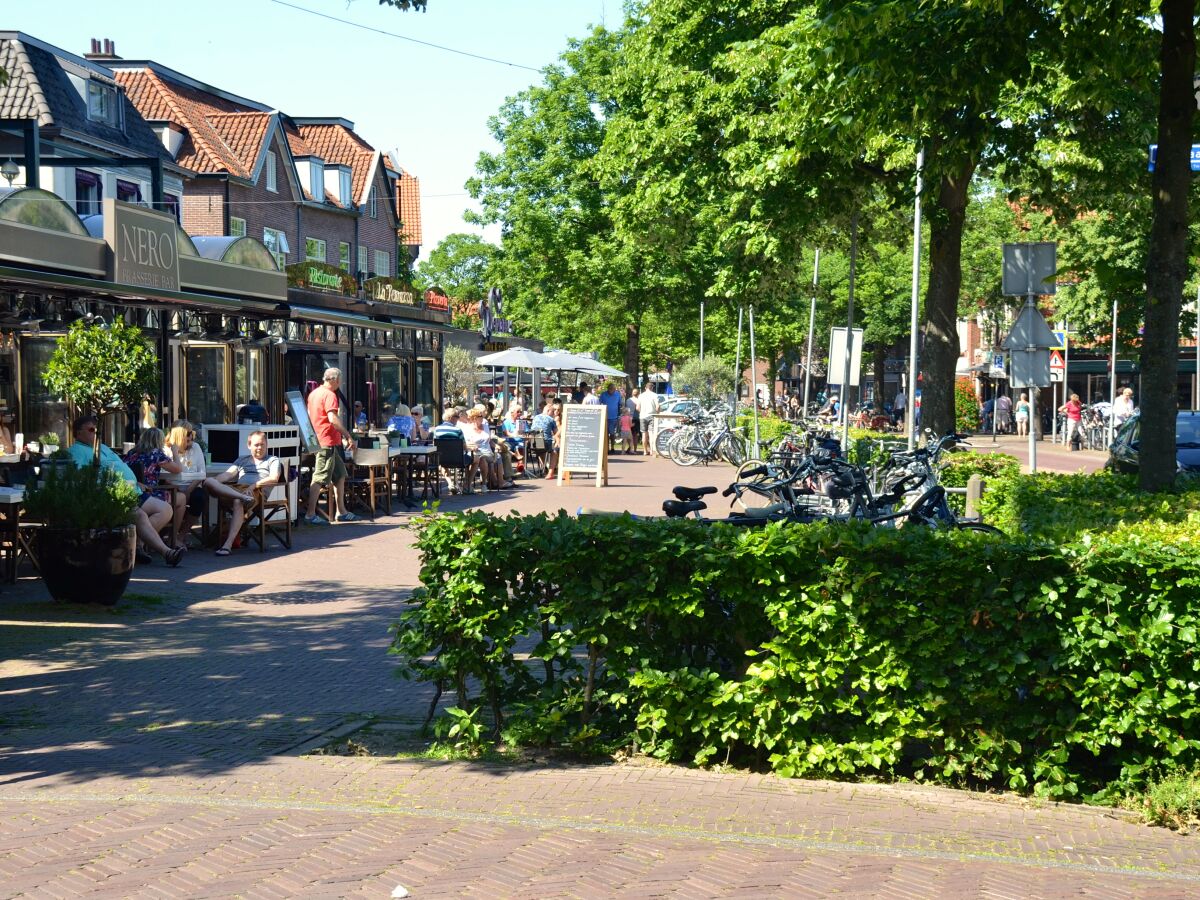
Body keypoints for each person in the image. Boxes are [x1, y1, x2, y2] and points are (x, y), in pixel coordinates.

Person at [68, 415, 183, 567]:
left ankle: (136, 545)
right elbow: (83, 478)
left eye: (97, 430)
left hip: (133, 490)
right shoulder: (76, 451)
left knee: (166, 509)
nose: (95, 433)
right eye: (91, 430)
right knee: (140, 515)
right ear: (78, 433)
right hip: (112, 496)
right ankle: (166, 552)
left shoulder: (102, 447)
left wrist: (137, 482)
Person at [205, 431, 282, 556]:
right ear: (249, 445)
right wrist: (216, 481)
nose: (260, 448)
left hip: (257, 492)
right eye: (256, 445)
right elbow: (228, 475)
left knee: (238, 502)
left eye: (263, 444)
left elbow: (274, 478)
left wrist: (254, 486)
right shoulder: (242, 460)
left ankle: (227, 544)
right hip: (238, 490)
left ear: (267, 444)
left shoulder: (272, 460)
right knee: (208, 481)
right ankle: (241, 496)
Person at [304, 367, 360, 524]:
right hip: (326, 441)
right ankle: (310, 515)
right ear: (335, 379)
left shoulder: (314, 393)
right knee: (320, 476)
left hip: (320, 439)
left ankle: (341, 511)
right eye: (340, 379)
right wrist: (348, 435)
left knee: (340, 474)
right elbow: (332, 419)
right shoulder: (330, 395)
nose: (341, 383)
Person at [123, 427, 186, 551]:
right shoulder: (156, 453)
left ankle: (149, 539)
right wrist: (175, 452)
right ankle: (172, 538)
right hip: (150, 492)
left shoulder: (132, 453)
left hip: (134, 490)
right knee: (182, 498)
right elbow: (178, 469)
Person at [163, 420, 206, 548]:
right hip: (171, 486)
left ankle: (181, 535)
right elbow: (163, 476)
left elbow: (202, 473)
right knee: (173, 499)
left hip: (191, 485)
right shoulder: (165, 449)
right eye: (188, 433)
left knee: (200, 498)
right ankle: (168, 536)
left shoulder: (196, 447)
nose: (191, 436)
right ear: (179, 434)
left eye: (191, 432)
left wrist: (188, 490)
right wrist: (178, 490)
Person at [459, 405, 497, 494]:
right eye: (480, 416)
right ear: (474, 418)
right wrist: (473, 446)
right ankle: (469, 485)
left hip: (487, 451)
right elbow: (467, 442)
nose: (482, 418)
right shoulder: (468, 428)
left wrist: (495, 446)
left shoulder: (485, 425)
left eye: (482, 416)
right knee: (477, 458)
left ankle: (483, 484)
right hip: (473, 451)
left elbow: (489, 439)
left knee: (482, 458)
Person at [531, 398, 559, 479]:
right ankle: (550, 472)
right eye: (552, 411)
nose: (554, 413)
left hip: (534, 443)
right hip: (545, 442)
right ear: (548, 411)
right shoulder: (551, 419)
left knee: (540, 450)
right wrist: (557, 442)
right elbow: (556, 433)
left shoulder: (535, 417)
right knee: (555, 451)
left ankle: (544, 468)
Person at [634, 381, 661, 456]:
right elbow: (657, 406)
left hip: (642, 416)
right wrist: (658, 413)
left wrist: (642, 412)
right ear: (652, 388)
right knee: (651, 433)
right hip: (652, 415)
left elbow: (637, 407)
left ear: (645, 388)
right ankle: (652, 450)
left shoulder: (641, 396)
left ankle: (645, 451)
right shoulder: (655, 395)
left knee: (644, 434)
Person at [597, 381, 623, 449]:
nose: (612, 391)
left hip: (614, 417)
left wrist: (620, 413)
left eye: (613, 389)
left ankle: (612, 447)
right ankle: (606, 448)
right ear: (608, 389)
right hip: (605, 417)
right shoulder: (603, 394)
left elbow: (620, 404)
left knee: (612, 433)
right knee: (605, 433)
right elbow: (599, 404)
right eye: (611, 389)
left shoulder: (617, 394)